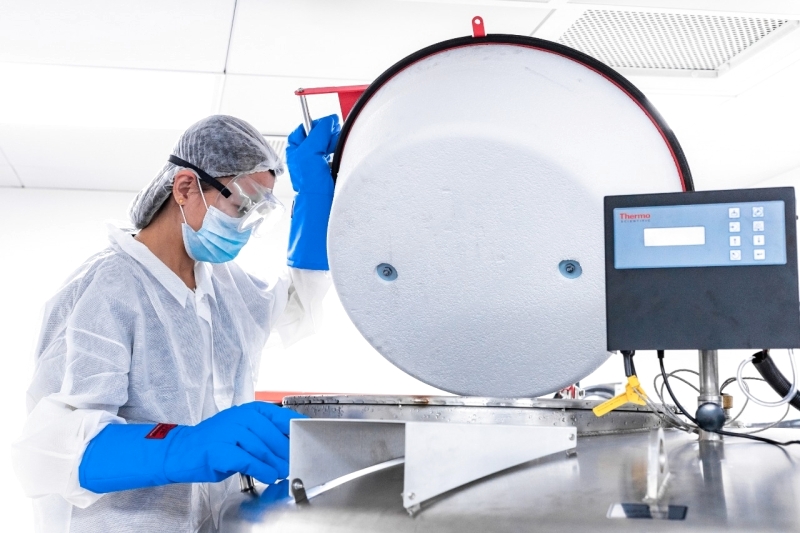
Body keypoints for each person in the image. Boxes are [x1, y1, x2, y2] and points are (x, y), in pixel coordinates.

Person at [12, 113, 341, 533]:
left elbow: (297, 307)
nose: (245, 227)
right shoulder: (107, 287)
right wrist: (188, 445)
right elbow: (48, 450)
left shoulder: (224, 286)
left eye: (259, 214)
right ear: (185, 188)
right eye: (242, 207)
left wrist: (314, 196)